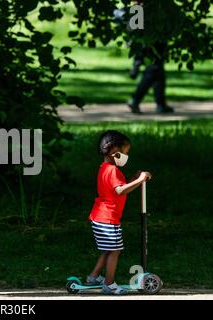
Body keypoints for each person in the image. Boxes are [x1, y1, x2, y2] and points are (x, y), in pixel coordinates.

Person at [86, 130, 151, 295]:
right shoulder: (113, 170)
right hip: (108, 218)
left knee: (108, 249)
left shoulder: (105, 168)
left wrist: (133, 180)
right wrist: (140, 179)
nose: (126, 156)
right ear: (115, 151)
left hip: (100, 216)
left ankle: (93, 277)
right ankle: (109, 284)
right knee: (114, 250)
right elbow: (121, 190)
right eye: (125, 152)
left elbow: (118, 188)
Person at [127, 41, 175, 114]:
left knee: (158, 73)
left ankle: (161, 104)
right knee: (154, 69)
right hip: (152, 40)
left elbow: (132, 29)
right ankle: (135, 100)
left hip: (144, 39)